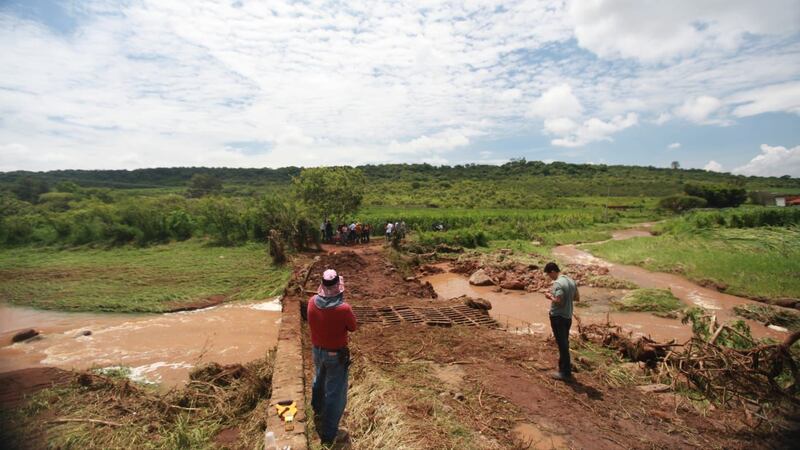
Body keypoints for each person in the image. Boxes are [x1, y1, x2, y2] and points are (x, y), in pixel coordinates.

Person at [307, 269, 357, 446]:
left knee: (319, 379)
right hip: (335, 355)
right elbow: (352, 327)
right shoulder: (343, 309)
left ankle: (317, 410)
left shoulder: (312, 302)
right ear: (338, 287)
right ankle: (329, 434)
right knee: (335, 393)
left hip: (317, 350)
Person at [543, 262, 579, 381]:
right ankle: (563, 366)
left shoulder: (558, 283)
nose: (549, 277)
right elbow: (577, 298)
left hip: (558, 317)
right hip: (568, 316)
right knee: (564, 342)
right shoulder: (570, 280)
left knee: (562, 344)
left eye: (549, 274)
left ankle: (565, 372)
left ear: (553, 271)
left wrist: (549, 296)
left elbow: (559, 301)